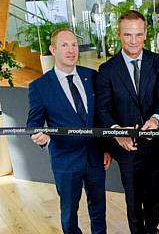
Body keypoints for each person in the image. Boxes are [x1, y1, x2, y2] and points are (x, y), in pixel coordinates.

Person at [27, 28, 112, 234]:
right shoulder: (39, 86)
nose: (71, 50)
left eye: (74, 45)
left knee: (99, 208)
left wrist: (106, 148)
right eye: (64, 45)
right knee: (69, 212)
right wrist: (43, 139)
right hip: (65, 159)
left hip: (95, 157)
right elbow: (33, 124)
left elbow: (101, 116)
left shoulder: (92, 76)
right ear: (53, 49)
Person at [95, 10, 159, 234]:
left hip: (154, 142)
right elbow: (103, 109)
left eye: (138, 34)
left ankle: (152, 230)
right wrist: (117, 132)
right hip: (126, 148)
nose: (134, 40)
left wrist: (156, 120)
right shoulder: (107, 70)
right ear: (119, 35)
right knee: (133, 199)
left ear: (146, 34)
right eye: (128, 35)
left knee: (155, 195)